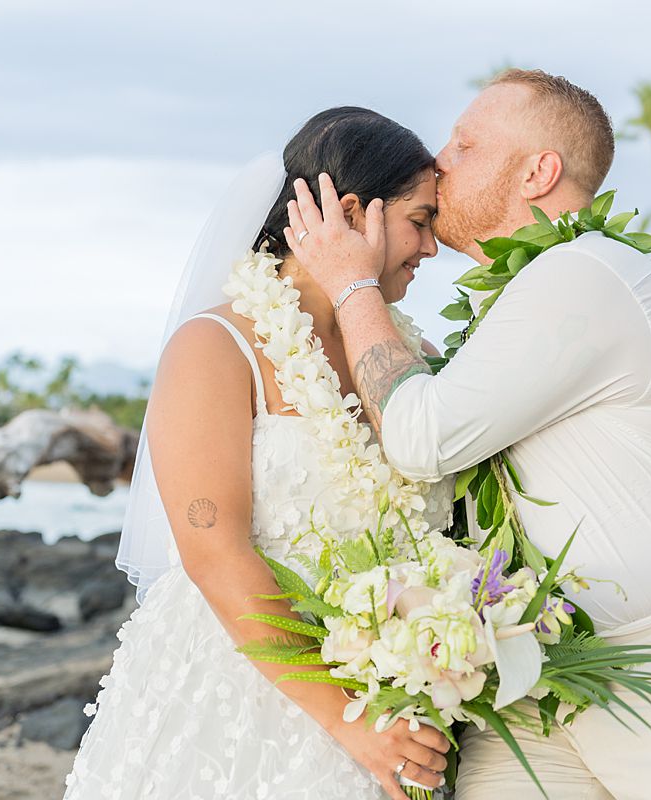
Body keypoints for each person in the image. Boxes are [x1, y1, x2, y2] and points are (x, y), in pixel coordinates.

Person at [284, 69, 651, 799]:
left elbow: (421, 436)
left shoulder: (585, 274)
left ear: (538, 171)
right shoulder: (520, 300)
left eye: (466, 144)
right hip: (538, 675)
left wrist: (351, 284)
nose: (440, 161)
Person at [63, 107, 453, 800]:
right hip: (242, 690)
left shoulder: (412, 359)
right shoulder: (215, 346)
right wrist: (353, 723)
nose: (431, 248)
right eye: (421, 221)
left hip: (405, 680)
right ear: (354, 212)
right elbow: (214, 551)